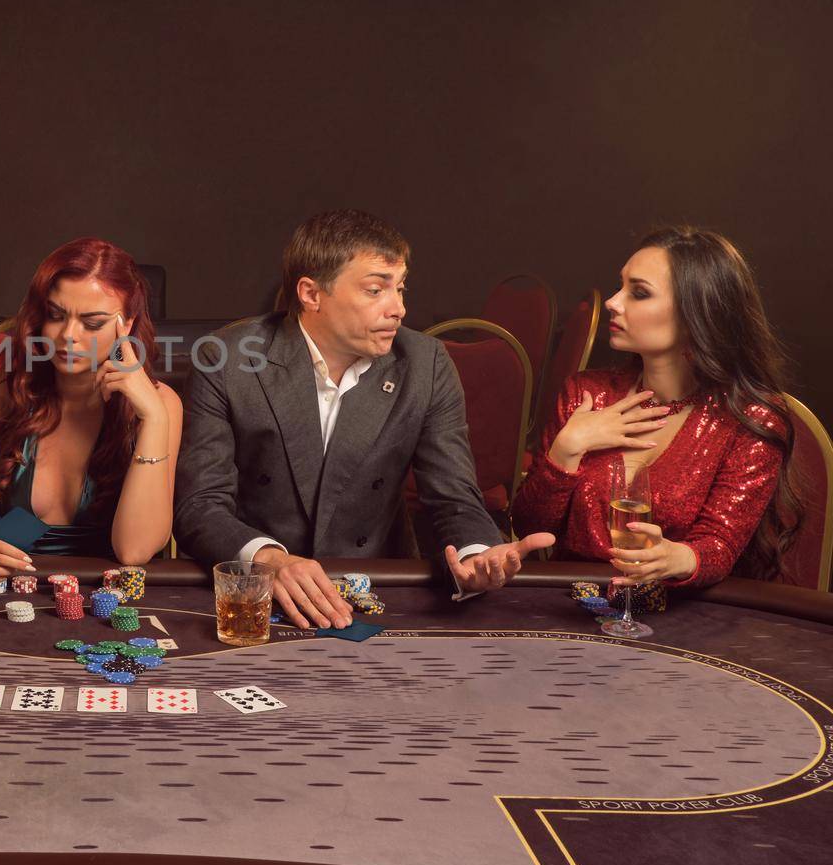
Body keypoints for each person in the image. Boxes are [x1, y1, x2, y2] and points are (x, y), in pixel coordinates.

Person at [174, 209, 553, 628]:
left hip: (373, 587)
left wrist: (476, 553)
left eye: (401, 288)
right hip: (255, 594)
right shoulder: (226, 359)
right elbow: (199, 505)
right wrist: (271, 560)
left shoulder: (426, 363)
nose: (399, 309)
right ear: (311, 294)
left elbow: (455, 497)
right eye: (376, 290)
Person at [512, 227, 796, 587]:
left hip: (676, 619)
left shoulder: (748, 420)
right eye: (621, 286)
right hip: (570, 606)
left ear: (697, 312)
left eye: (639, 293)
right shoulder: (586, 393)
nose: (614, 302)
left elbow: (720, 545)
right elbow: (531, 528)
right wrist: (565, 451)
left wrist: (681, 557)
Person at [0, 238, 182, 577]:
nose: (69, 335)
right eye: (56, 315)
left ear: (127, 324)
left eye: (92, 322)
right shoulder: (5, 391)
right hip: (9, 596)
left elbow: (133, 550)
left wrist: (153, 418)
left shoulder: (160, 404)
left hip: (107, 602)